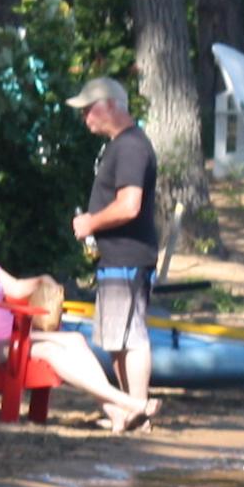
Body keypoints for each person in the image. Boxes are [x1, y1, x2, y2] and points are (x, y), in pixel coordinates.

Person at [0, 194, 149, 430]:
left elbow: (15, 287)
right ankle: (129, 402)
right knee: (48, 350)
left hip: (9, 341)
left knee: (74, 339)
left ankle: (114, 412)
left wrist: (42, 280)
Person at [65, 74, 158, 415]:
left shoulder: (132, 147)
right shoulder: (121, 145)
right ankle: (133, 408)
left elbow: (130, 204)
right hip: (117, 257)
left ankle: (139, 409)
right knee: (117, 339)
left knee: (130, 337)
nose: (84, 117)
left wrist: (90, 222)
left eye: (88, 109)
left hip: (128, 258)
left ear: (110, 106)